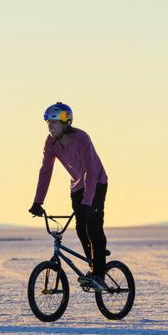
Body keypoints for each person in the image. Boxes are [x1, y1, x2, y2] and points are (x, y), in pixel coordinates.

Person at [28, 102, 109, 290]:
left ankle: (99, 273)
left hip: (96, 184)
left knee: (93, 228)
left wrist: (88, 202)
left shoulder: (82, 139)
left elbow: (90, 170)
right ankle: (95, 262)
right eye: (48, 122)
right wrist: (37, 202)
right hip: (77, 188)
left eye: (55, 122)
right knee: (81, 229)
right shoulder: (51, 143)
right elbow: (46, 170)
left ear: (66, 122)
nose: (51, 126)